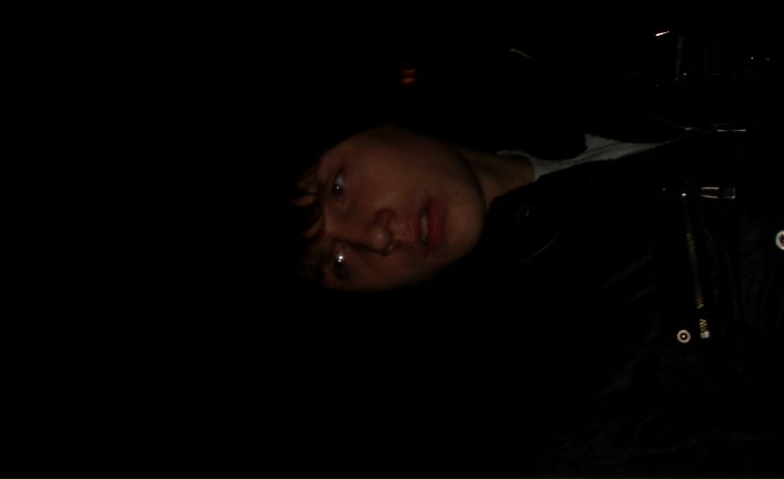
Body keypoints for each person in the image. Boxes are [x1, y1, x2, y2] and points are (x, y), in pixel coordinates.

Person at [274, 45, 784, 476]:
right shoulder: (566, 401)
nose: (375, 237)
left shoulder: (584, 56)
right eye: (338, 264)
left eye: (337, 189)